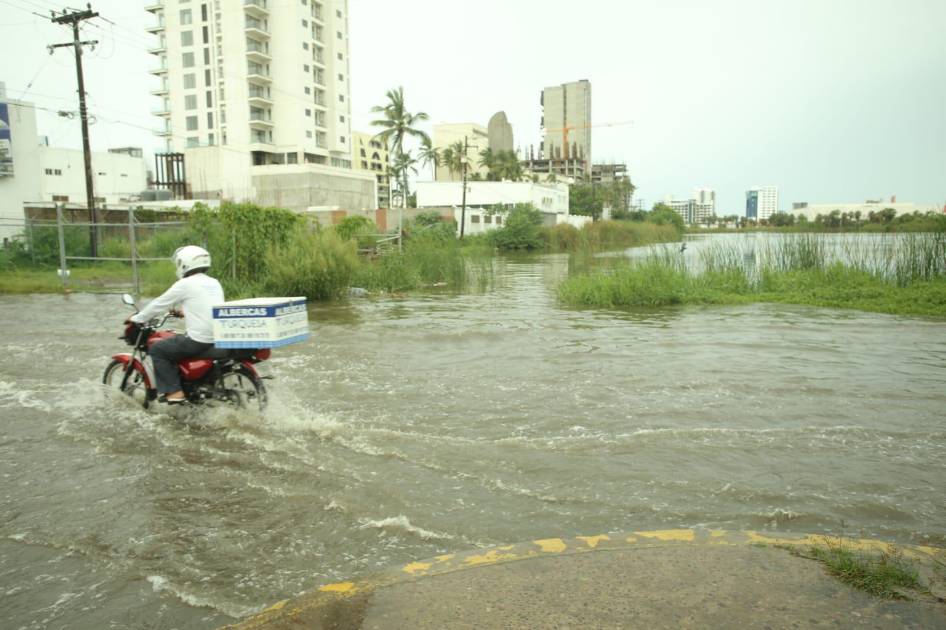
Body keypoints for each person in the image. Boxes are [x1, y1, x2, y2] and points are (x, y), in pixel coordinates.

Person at [128, 245, 224, 404]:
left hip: (199, 340)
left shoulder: (185, 284)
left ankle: (175, 392)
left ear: (184, 263)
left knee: (157, 349)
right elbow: (208, 308)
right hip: (218, 337)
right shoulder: (214, 283)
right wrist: (184, 313)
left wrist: (137, 318)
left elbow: (159, 304)